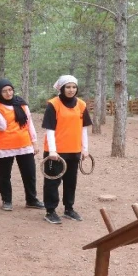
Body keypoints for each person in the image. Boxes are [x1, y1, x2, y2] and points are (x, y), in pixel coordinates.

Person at [41, 75, 92, 224]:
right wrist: (52, 150)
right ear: (62, 88)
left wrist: (85, 149)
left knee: (71, 181)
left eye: (74, 87)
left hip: (74, 150)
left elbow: (83, 128)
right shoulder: (53, 104)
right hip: (56, 152)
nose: (71, 90)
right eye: (68, 87)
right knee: (52, 182)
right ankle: (50, 211)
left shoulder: (81, 105)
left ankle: (69, 209)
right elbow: (49, 129)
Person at [0, 79, 44, 211]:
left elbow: (29, 123)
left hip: (24, 144)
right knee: (4, 174)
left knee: (29, 173)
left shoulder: (22, 104)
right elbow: (1, 127)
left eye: (10, 90)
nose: (8, 93)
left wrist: (34, 142)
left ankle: (31, 199)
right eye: (4, 91)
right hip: (4, 146)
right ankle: (6, 200)